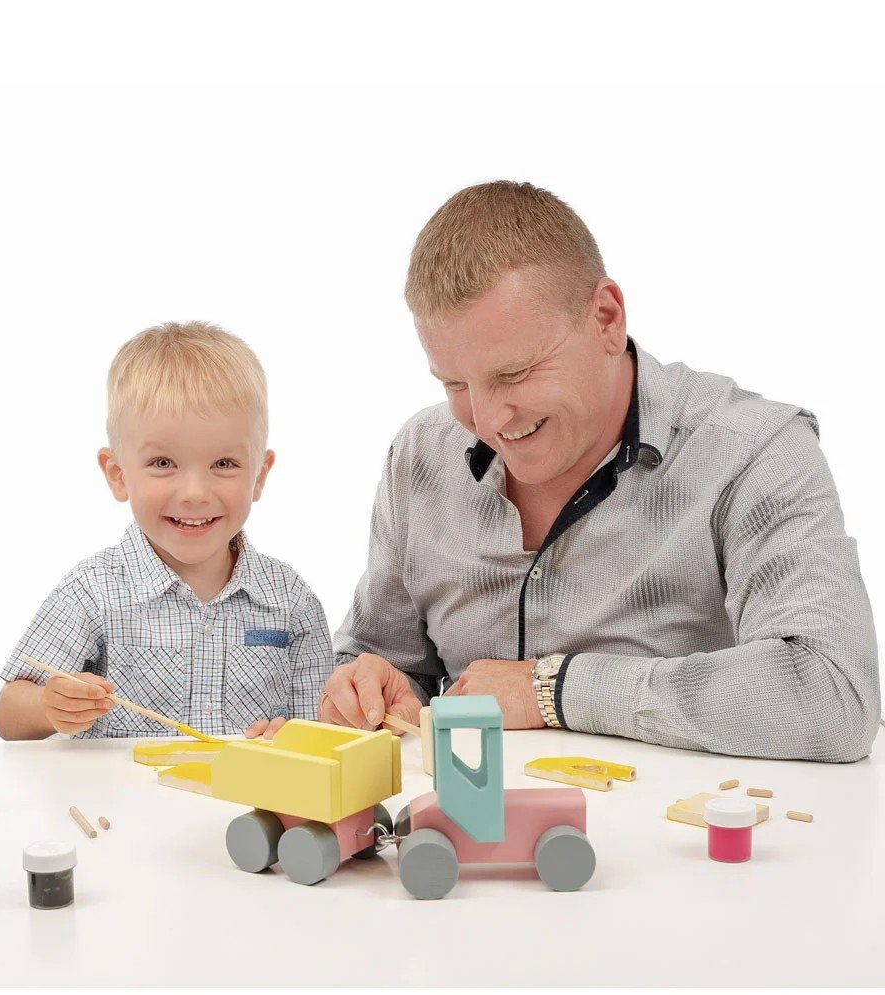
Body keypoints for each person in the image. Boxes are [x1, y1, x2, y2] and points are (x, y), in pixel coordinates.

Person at [322, 180, 880, 762]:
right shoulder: (420, 455)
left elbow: (833, 693)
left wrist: (552, 689)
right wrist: (366, 690)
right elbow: (387, 665)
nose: (486, 419)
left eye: (514, 373)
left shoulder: (753, 454)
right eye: (455, 383)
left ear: (607, 319)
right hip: (463, 841)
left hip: (677, 845)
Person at [0, 321, 332, 740]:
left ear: (259, 475)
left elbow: (322, 733)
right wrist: (50, 706)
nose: (194, 492)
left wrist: (291, 740)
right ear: (117, 474)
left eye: (224, 464)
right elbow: (8, 714)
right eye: (163, 464)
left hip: (244, 803)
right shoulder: (93, 590)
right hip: (121, 804)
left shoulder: (290, 600)